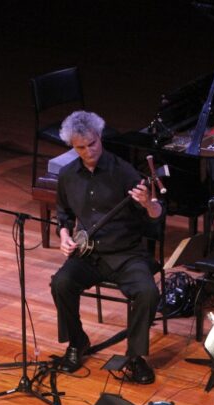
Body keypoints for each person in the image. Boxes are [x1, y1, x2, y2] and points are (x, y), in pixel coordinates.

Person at [50, 110, 163, 384]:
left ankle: (135, 357)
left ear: (100, 137)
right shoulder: (67, 175)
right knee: (60, 283)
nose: (89, 151)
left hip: (126, 254)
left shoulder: (123, 171)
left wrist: (148, 203)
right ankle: (77, 342)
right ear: (72, 146)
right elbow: (63, 214)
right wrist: (64, 236)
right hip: (88, 254)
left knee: (148, 293)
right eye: (80, 147)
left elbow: (156, 214)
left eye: (92, 144)